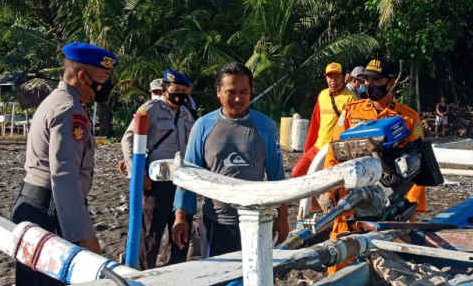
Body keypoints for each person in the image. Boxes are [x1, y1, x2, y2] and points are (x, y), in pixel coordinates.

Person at [9, 42, 115, 286]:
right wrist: (83, 236)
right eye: (102, 79)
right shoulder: (70, 110)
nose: (105, 86)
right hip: (52, 212)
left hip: (35, 205)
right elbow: (64, 178)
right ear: (82, 75)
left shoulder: (59, 103)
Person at [320, 58, 427, 273]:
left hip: (389, 199)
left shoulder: (408, 118)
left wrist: (410, 209)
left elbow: (418, 166)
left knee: (391, 261)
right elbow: (334, 151)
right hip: (352, 196)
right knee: (340, 254)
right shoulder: (351, 112)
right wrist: (327, 190)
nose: (370, 85)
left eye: (377, 80)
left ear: (391, 82)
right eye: (367, 79)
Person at [172, 62, 289, 257]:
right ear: (218, 91)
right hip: (215, 223)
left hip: (256, 221)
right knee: (216, 280)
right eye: (231, 92)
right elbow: (188, 175)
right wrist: (181, 217)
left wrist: (282, 217)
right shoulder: (203, 126)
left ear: (251, 92)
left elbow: (277, 175)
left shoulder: (265, 126)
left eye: (244, 92)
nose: (238, 98)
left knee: (254, 281)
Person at [119, 70, 195, 269]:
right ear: (164, 90)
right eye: (176, 90)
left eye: (184, 91)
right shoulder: (150, 109)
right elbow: (128, 140)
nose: (180, 95)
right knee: (151, 233)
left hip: (182, 182)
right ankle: (145, 273)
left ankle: (175, 272)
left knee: (181, 233)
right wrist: (137, 173)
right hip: (156, 181)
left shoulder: (186, 114)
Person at [292, 62, 358, 177]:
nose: (333, 80)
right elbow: (315, 123)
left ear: (343, 77)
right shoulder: (322, 95)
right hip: (318, 147)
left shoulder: (351, 98)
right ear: (326, 77)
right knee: (297, 173)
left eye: (336, 76)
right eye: (330, 76)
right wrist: (307, 148)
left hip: (336, 151)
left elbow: (353, 129)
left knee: (326, 183)